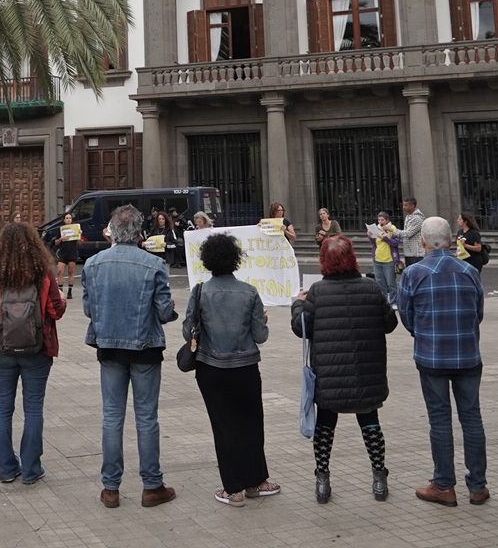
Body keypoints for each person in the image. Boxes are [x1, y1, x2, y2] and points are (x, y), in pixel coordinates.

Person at [83, 204, 177, 509]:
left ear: (112, 230)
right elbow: (164, 312)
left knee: (112, 416)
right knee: (147, 417)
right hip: (145, 347)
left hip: (109, 346)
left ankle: (111, 487)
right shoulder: (154, 265)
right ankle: (152, 485)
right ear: (139, 232)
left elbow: (88, 309)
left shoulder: (93, 264)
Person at [292, 235, 397, 505]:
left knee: (325, 425)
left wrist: (298, 303)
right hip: (366, 372)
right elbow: (390, 324)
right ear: (352, 258)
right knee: (370, 422)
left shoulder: (316, 291)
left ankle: (323, 480)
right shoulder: (371, 288)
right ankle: (378, 477)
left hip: (329, 375)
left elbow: (300, 328)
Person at [397, 217, 488, 506]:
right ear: (450, 241)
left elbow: (406, 316)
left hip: (432, 355)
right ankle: (477, 486)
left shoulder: (414, 273)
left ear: (422, 242)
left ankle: (444, 484)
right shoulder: (469, 271)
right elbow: (479, 312)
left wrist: (423, 334)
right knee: (471, 417)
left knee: (439, 419)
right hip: (467, 354)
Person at [186, 232, 277, 507]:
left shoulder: (200, 291)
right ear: (236, 260)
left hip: (211, 368)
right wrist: (263, 321)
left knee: (223, 426)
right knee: (251, 422)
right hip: (246, 367)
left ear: (208, 261)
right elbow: (260, 336)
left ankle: (232, 489)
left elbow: (187, 329)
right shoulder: (249, 291)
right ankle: (256, 480)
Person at [0, 221, 68, 485]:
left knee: (2, 408)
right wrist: (60, 299)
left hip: (0, 348)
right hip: (38, 350)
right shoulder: (44, 273)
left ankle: (6, 469)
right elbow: (55, 312)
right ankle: (31, 469)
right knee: (33, 409)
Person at [367, 211, 401, 306]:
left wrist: (386, 238)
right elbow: (374, 244)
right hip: (377, 259)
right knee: (380, 282)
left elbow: (396, 243)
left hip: (388, 260)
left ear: (387, 220)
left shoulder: (392, 228)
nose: (380, 221)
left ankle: (394, 301)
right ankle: (384, 302)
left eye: (382, 220)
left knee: (391, 283)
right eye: (379, 219)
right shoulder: (376, 228)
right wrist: (370, 236)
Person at [54, 211, 81, 298]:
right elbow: (56, 243)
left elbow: (80, 243)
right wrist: (61, 238)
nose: (69, 220)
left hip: (72, 253)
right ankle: (60, 291)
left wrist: (79, 234)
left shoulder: (75, 228)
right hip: (63, 253)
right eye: (67, 218)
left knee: (71, 272)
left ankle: (70, 291)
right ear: (64, 220)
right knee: (59, 271)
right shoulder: (61, 229)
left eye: (70, 218)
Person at [399, 198, 426, 269]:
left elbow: (408, 233)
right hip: (409, 253)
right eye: (403, 205)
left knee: (416, 275)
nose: (403, 207)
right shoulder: (409, 216)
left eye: (406, 205)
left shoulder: (417, 218)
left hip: (416, 254)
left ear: (412, 206)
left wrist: (393, 230)